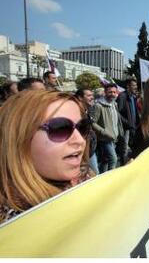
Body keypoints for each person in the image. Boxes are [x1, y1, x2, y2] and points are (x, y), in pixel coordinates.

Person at [0, 90, 93, 224]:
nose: (80, 140)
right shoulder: (14, 225)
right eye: (60, 128)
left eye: (82, 127)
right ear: (17, 139)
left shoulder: (86, 177)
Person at [92, 83, 124, 173]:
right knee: (113, 159)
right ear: (105, 92)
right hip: (105, 139)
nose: (112, 94)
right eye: (110, 92)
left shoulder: (115, 104)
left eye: (114, 92)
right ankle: (111, 180)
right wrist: (104, 132)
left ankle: (102, 177)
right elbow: (92, 123)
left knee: (105, 160)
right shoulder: (98, 106)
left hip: (114, 137)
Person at [116, 78, 141, 164]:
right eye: (134, 85)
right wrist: (127, 122)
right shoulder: (122, 96)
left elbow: (135, 112)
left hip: (133, 127)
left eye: (136, 85)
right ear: (128, 86)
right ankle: (123, 166)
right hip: (125, 128)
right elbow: (118, 113)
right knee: (124, 149)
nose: (136, 87)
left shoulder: (133, 97)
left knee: (134, 146)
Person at [75, 88, 99, 175]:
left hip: (90, 150)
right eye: (89, 95)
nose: (92, 97)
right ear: (80, 98)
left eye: (92, 95)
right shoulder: (76, 113)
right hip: (83, 152)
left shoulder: (87, 110)